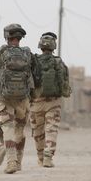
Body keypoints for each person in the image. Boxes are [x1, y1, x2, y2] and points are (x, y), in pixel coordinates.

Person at [0, 23, 40, 174]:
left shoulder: (0, 53)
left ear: (6, 36)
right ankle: (19, 162)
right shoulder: (28, 54)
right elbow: (38, 77)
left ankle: (11, 162)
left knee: (7, 127)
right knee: (20, 129)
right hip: (24, 98)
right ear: (20, 37)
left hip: (4, 97)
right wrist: (33, 96)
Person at [29, 32, 71, 168]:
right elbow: (64, 82)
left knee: (38, 131)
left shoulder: (33, 61)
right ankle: (48, 156)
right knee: (51, 129)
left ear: (40, 46)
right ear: (54, 47)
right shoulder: (58, 62)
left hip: (36, 101)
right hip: (54, 101)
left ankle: (41, 158)